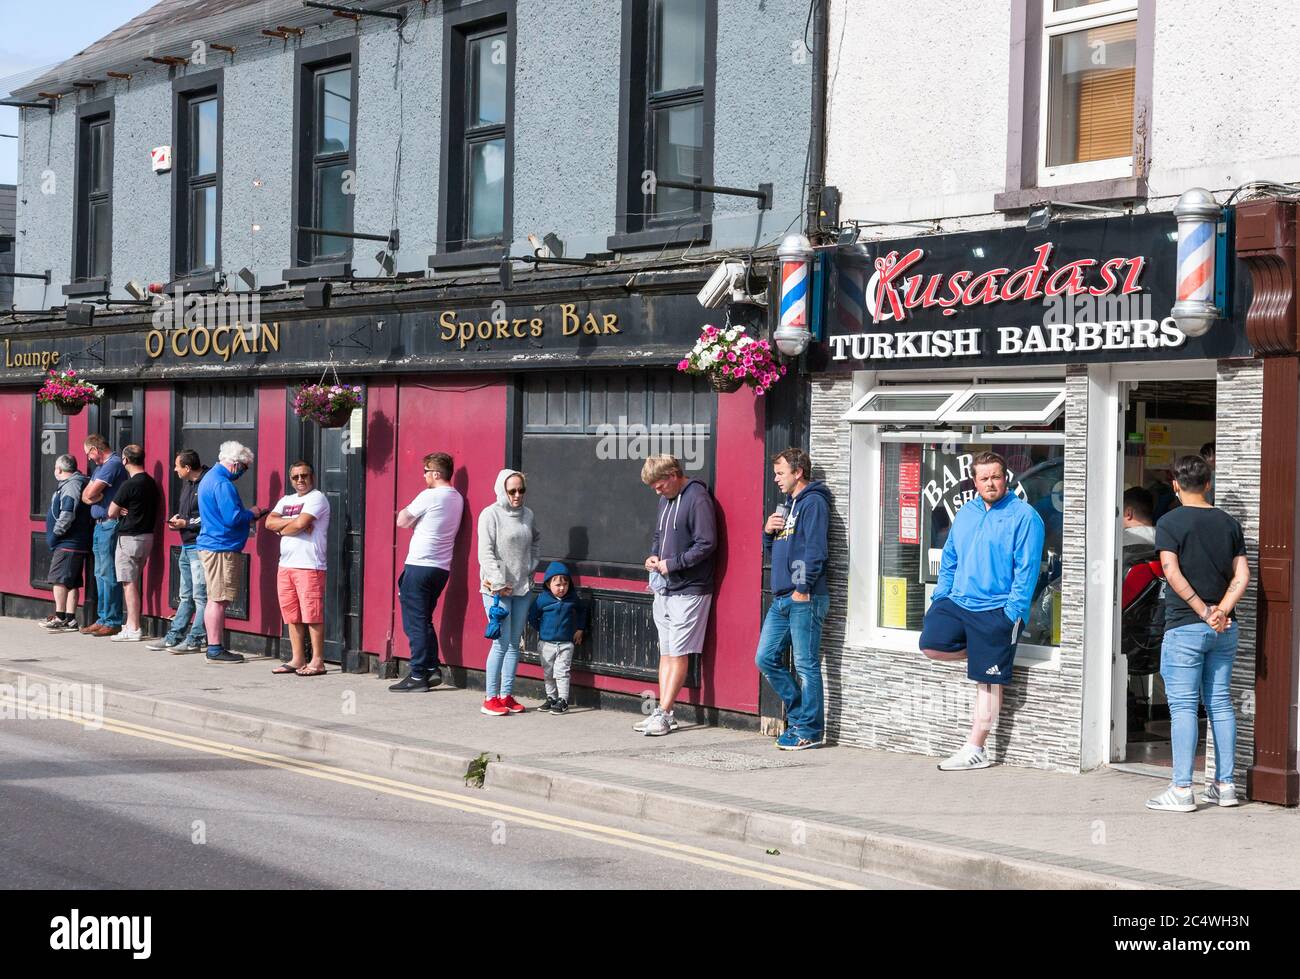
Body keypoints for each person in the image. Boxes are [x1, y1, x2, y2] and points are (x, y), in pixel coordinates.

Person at [920, 451, 1045, 771]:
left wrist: (1012, 613)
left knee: (987, 683)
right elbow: (950, 557)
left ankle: (976, 748)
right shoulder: (967, 512)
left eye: (996, 477)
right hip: (957, 601)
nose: (991, 483)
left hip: (997, 609)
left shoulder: (1024, 516)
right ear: (974, 481)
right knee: (931, 644)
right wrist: (941, 595)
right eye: (984, 478)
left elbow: (1027, 569)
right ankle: (987, 653)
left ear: (1006, 479)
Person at [1145, 454, 1250, 813]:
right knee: (1219, 703)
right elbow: (1242, 576)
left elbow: (1171, 573)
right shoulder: (1229, 523)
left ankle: (1182, 789)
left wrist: (1204, 611)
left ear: (1175, 484)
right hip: (1224, 628)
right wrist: (1221, 610)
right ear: (1208, 483)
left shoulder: (1169, 522)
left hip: (1185, 626)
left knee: (1184, 707)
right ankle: (1225, 786)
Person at [754, 448, 832, 750]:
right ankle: (800, 716)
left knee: (806, 665)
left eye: (780, 473)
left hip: (805, 597)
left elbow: (815, 551)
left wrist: (803, 587)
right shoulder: (789, 505)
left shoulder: (813, 503)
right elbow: (776, 552)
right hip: (782, 598)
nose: (775, 479)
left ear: (798, 472)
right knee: (765, 658)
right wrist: (766, 532)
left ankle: (809, 731)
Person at [638, 454, 717, 737]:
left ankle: (665, 712)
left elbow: (706, 543)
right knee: (666, 651)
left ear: (673, 475)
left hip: (690, 589)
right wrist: (654, 556)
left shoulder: (697, 498)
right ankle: (663, 712)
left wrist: (673, 564)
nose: (657, 491)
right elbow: (659, 534)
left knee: (678, 652)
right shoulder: (665, 500)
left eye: (659, 485)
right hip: (665, 587)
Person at [392, 452, 464, 692]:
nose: (423, 476)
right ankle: (431, 669)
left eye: (425, 472)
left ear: (435, 474)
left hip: (420, 565)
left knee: (415, 623)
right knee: (424, 620)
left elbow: (402, 520)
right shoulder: (457, 498)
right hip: (440, 569)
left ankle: (418, 674)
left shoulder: (430, 495)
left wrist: (414, 519)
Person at [197, 441, 269, 664]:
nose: (243, 473)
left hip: (212, 544)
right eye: (244, 468)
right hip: (221, 547)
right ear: (235, 464)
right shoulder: (223, 484)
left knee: (214, 598)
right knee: (218, 599)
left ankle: (214, 646)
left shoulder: (208, 478)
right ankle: (215, 648)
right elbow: (232, 518)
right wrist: (253, 513)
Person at [477, 469, 540, 715]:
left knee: (515, 643)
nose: (517, 495)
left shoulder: (528, 515)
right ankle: (490, 698)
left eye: (521, 490)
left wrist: (530, 566)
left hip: (522, 588)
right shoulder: (490, 515)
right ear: (501, 490)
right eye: (511, 490)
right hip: (496, 590)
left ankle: (506, 695)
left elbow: (536, 540)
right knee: (500, 643)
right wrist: (498, 580)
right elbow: (485, 552)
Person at [265, 460, 331, 677]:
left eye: (304, 475)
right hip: (285, 565)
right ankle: (297, 658)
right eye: (296, 477)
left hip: (309, 565)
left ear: (312, 476)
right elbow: (268, 522)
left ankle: (318, 661)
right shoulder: (286, 499)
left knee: (312, 614)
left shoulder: (317, 498)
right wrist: (292, 524)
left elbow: (300, 525)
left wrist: (283, 528)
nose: (300, 480)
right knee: (291, 614)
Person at [147, 450, 209, 653]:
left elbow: (208, 515)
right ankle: (174, 636)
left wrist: (187, 522)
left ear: (188, 468)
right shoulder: (189, 484)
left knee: (200, 597)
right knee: (186, 595)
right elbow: (191, 512)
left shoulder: (207, 483)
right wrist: (180, 517)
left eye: (177, 466)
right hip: (187, 545)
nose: (174, 469)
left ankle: (196, 639)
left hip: (200, 547)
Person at [107, 444, 161, 642]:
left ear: (125, 461)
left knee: (128, 583)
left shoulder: (129, 485)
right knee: (135, 581)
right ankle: (132, 624)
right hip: (147, 537)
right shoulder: (151, 483)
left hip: (128, 537)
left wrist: (120, 509)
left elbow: (111, 512)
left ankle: (133, 626)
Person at [80, 434, 128, 637]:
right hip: (99, 525)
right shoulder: (100, 468)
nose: (89, 459)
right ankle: (102, 618)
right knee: (100, 573)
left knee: (108, 573)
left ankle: (113, 620)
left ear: (95, 450)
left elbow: (90, 494)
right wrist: (91, 496)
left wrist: (92, 496)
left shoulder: (112, 464)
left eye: (88, 454)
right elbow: (85, 495)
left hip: (110, 524)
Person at [528, 561, 586, 715]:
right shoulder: (542, 599)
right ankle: (551, 698)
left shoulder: (572, 599)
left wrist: (580, 628)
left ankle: (563, 700)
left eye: (565, 584)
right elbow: (533, 616)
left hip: (566, 644)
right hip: (546, 644)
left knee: (561, 672)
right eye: (558, 585)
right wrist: (541, 630)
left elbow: (582, 611)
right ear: (548, 584)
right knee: (548, 673)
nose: (562, 588)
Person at [43, 454, 93, 632]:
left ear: (59, 470)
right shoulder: (75, 483)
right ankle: (71, 620)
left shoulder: (71, 486)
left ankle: (60, 617)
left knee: (59, 580)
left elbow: (67, 513)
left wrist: (56, 534)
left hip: (68, 542)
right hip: (75, 542)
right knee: (71, 582)